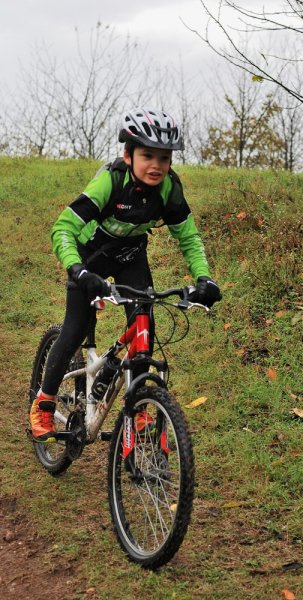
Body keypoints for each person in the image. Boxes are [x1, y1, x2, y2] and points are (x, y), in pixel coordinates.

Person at [30, 107, 221, 442]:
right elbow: (63, 227)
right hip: (91, 258)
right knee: (74, 330)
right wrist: (79, 269)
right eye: (147, 155)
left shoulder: (168, 189)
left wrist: (204, 279)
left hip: (132, 255)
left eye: (164, 158)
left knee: (145, 325)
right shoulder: (111, 180)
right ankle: (43, 403)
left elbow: (188, 237)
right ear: (128, 154)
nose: (157, 166)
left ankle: (139, 407)